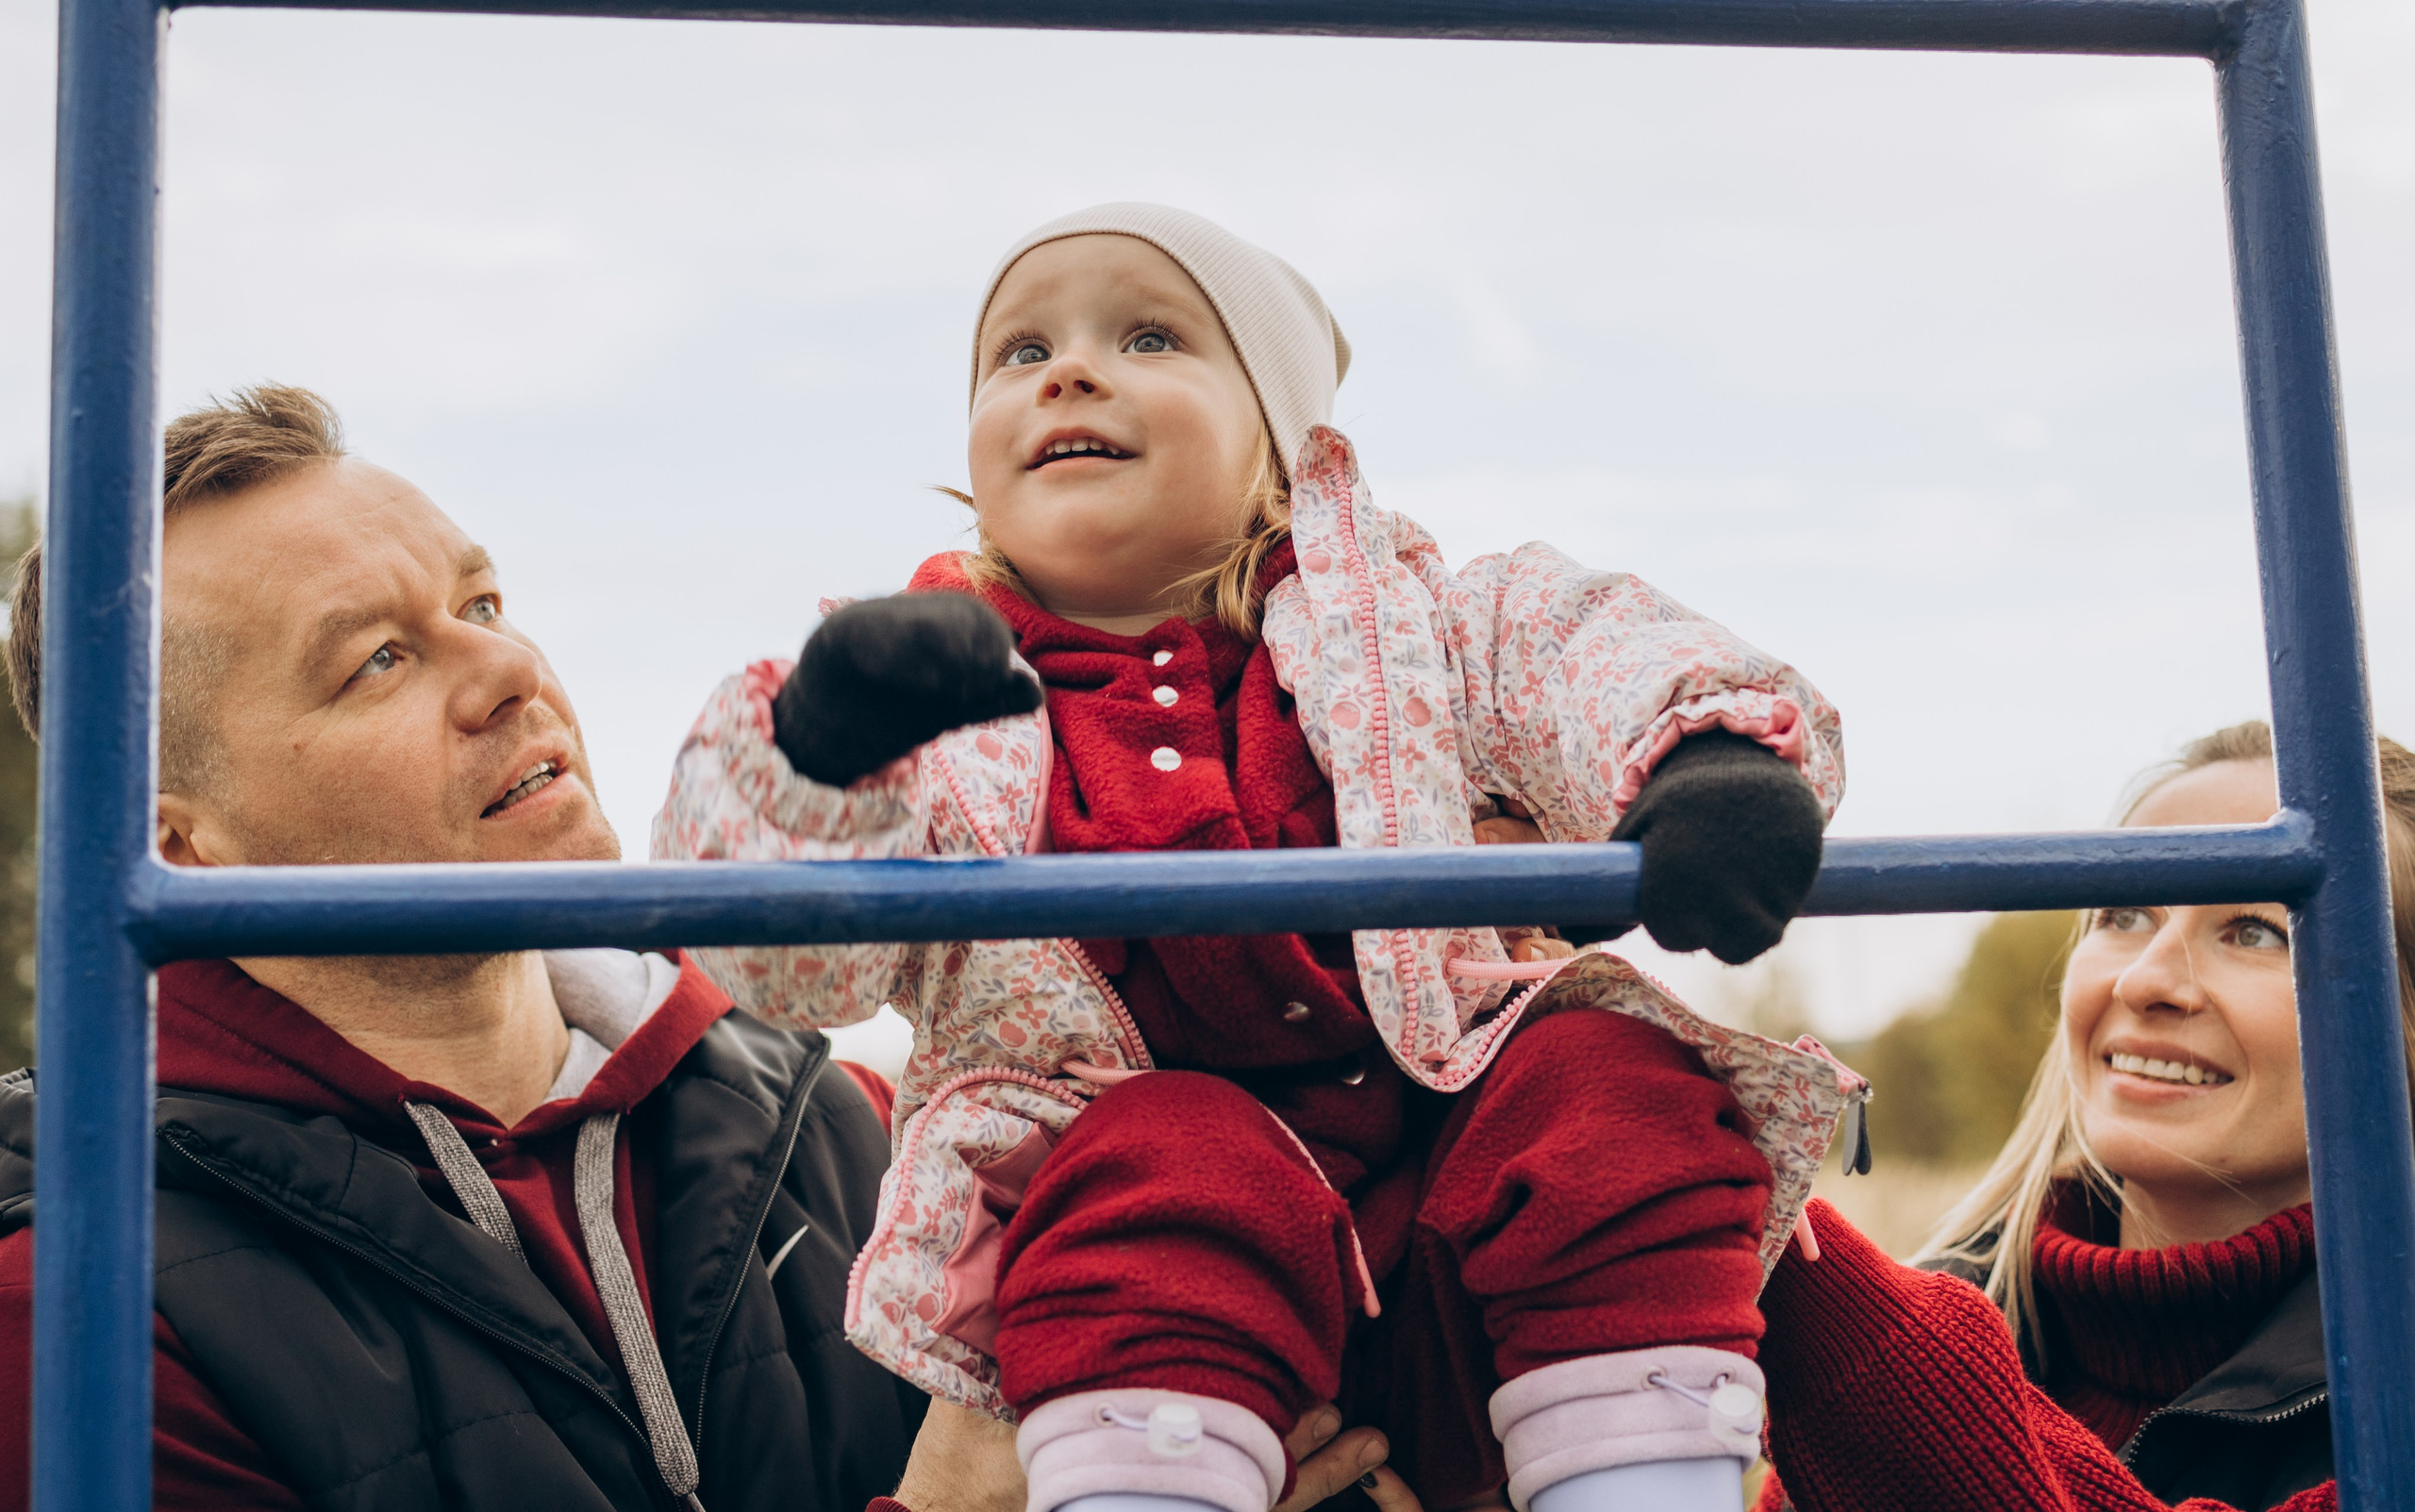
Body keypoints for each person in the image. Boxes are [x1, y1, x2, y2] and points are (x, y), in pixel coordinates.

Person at [655, 203, 1865, 1512]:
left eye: (1149, 335)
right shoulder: (938, 711)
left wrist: (1705, 758)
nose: (1068, 371)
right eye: (1021, 351)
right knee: (1166, 1148)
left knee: (1606, 1081)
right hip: (1145, 1315)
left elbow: (1579, 646)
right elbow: (794, 967)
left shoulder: (1405, 629)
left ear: (1280, 443)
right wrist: (824, 749)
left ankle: (1642, 1485)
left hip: (1466, 1256)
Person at [0, 388, 930, 1510]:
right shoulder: (75, 1299)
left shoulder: (851, 1122)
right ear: (177, 839)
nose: (508, 670)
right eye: (378, 660)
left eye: (481, 601)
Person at [1755, 721, 2415, 1512]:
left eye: (2256, 932)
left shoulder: (1876, 1356)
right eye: (2124, 916)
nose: (2145, 981)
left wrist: (1862, 1342)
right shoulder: (1955, 1300)